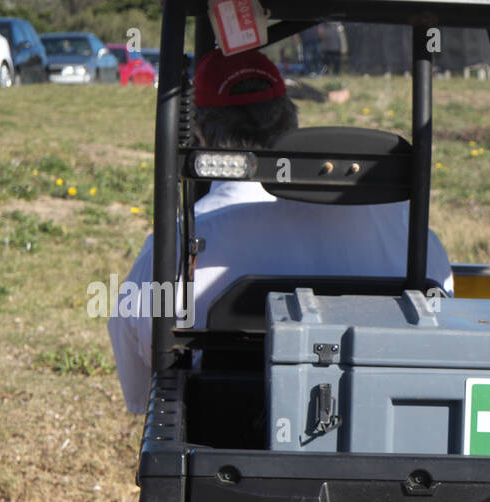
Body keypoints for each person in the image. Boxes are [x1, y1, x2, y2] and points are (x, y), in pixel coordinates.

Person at [108, 49, 453, 413]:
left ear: (199, 131)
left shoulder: (175, 251)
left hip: (226, 444)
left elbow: (142, 388)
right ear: (291, 124)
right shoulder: (418, 244)